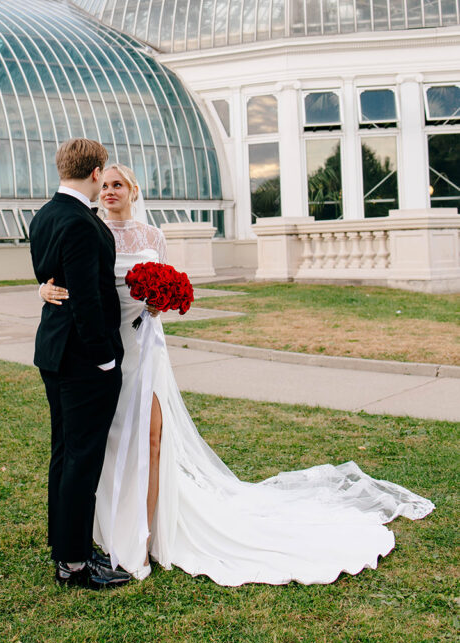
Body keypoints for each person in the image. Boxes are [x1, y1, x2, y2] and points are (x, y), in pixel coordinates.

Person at [40, 163, 434, 586]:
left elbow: (170, 282)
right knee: (107, 442)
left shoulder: (153, 237)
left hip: (145, 348)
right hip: (102, 347)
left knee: (152, 438)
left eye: (120, 185)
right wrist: (41, 289)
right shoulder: (89, 228)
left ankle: (145, 536)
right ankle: (103, 529)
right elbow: (65, 276)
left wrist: (161, 301)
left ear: (134, 191)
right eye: (107, 184)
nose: (111, 191)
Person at [29, 139, 131, 590]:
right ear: (95, 173)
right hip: (82, 359)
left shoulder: (45, 214)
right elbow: (87, 300)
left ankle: (66, 545)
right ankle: (73, 563)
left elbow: (49, 278)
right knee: (82, 460)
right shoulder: (79, 223)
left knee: (64, 453)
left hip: (54, 351)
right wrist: (105, 357)